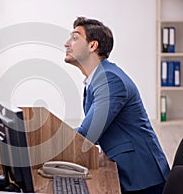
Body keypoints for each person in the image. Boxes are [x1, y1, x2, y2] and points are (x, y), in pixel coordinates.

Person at [64, 16, 170, 194]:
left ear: (93, 46)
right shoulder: (99, 79)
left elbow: (88, 134)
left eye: (75, 38)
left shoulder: (110, 80)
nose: (67, 43)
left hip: (142, 179)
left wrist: (44, 142)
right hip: (130, 172)